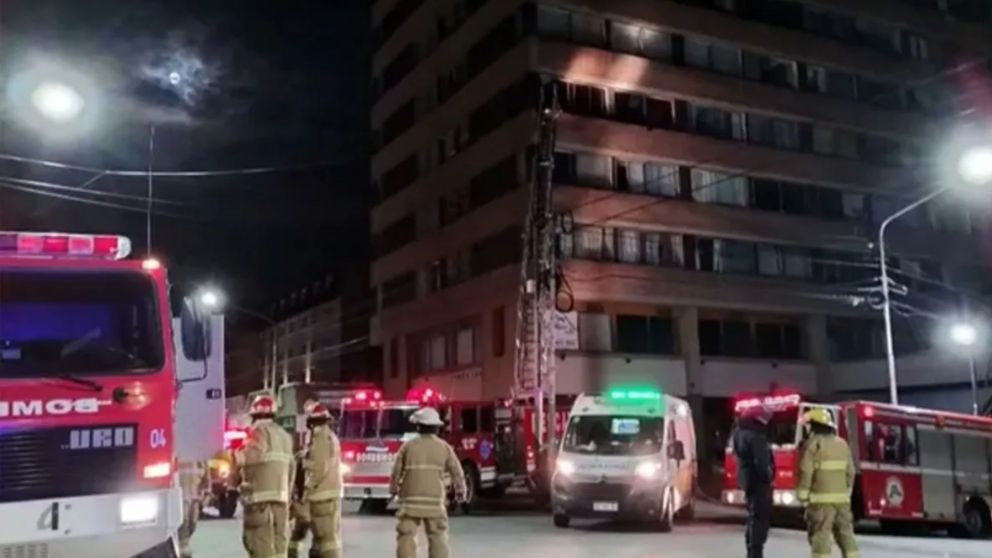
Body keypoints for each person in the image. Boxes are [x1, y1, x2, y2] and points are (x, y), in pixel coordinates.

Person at [389, 407, 466, 558]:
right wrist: (460, 491)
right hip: (435, 502)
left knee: (406, 536)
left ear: (418, 427)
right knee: (438, 537)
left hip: (410, 501)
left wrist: (393, 489)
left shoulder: (407, 446)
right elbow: (457, 472)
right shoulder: (444, 447)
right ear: (436, 428)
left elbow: (396, 471)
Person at [233, 394, 296, 558]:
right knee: (279, 549)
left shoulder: (258, 431)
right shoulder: (285, 436)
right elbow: (292, 469)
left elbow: (254, 454)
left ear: (254, 415)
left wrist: (233, 457)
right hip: (281, 502)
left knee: (260, 546)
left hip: (259, 502)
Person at [797, 408, 859, 558]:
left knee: (821, 535)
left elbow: (806, 471)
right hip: (842, 501)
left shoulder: (812, 444)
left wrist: (802, 496)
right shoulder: (842, 444)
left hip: (820, 502)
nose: (807, 428)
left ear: (815, 425)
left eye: (808, 425)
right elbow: (851, 471)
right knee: (846, 534)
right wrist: (847, 491)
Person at [289, 403, 344, 558]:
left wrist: (308, 489)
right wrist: (304, 455)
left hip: (321, 496)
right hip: (327, 496)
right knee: (321, 539)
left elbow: (319, 467)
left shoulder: (321, 438)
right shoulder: (328, 437)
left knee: (326, 540)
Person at [731, 404, 775, 558]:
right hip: (758, 483)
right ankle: (756, 552)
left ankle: (751, 551)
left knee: (753, 517)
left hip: (747, 480)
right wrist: (769, 477)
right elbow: (762, 462)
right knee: (760, 518)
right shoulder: (756, 436)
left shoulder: (739, 433)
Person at [177, 459, 209, 558]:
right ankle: (182, 551)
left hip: (194, 500)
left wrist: (206, 495)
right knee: (182, 525)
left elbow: (206, 478)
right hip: (179, 499)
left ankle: (183, 548)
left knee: (191, 525)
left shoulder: (200, 457)